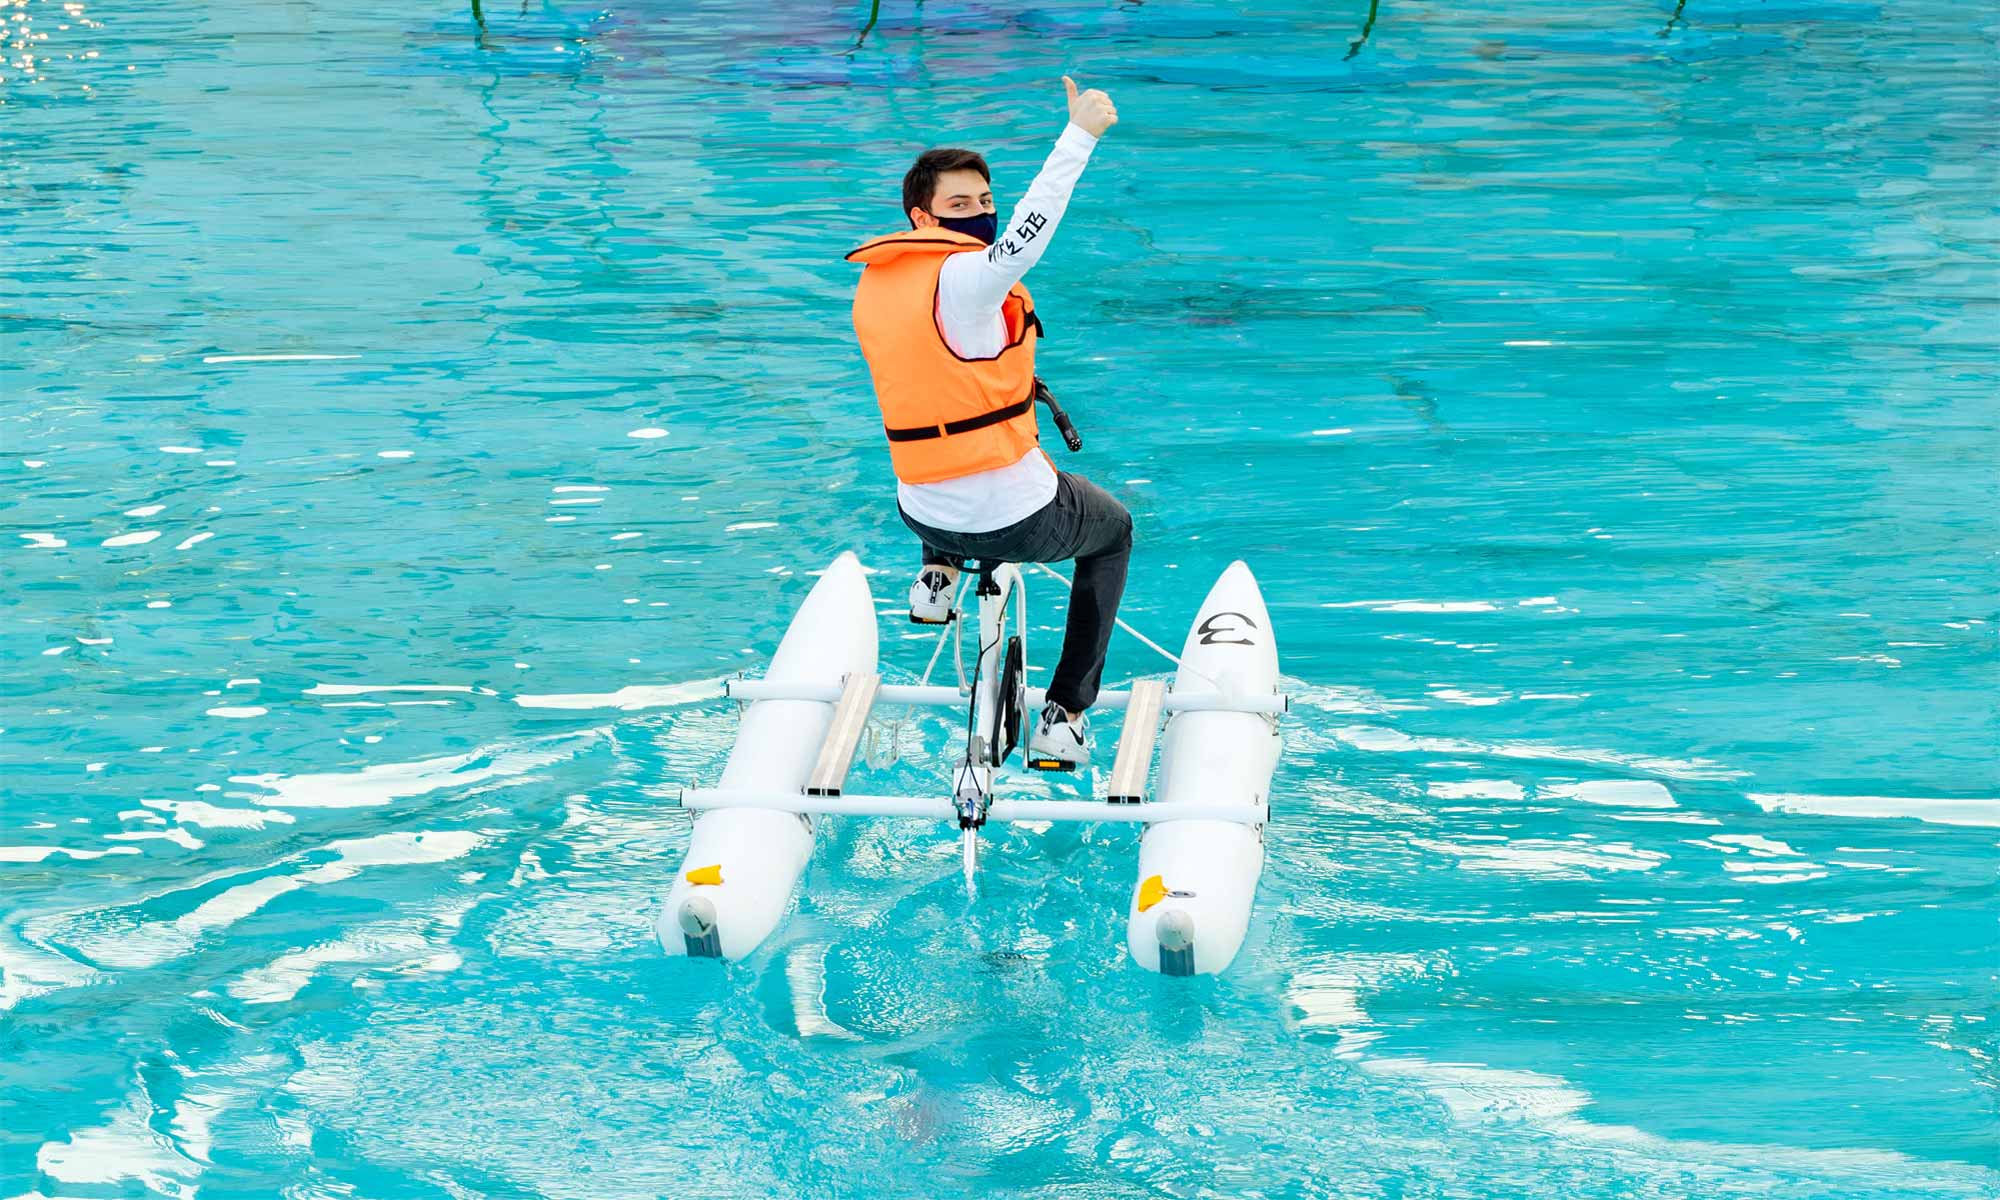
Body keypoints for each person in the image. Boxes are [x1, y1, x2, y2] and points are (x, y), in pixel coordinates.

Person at [845, 77, 1128, 770]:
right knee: (1113, 531)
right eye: (959, 205)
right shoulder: (971, 279)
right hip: (1015, 519)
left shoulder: (883, 282)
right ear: (922, 215)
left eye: (984, 202)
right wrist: (1080, 134)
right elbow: (1033, 226)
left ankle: (937, 581)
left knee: (944, 440)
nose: (979, 215)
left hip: (920, 511)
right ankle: (1065, 712)